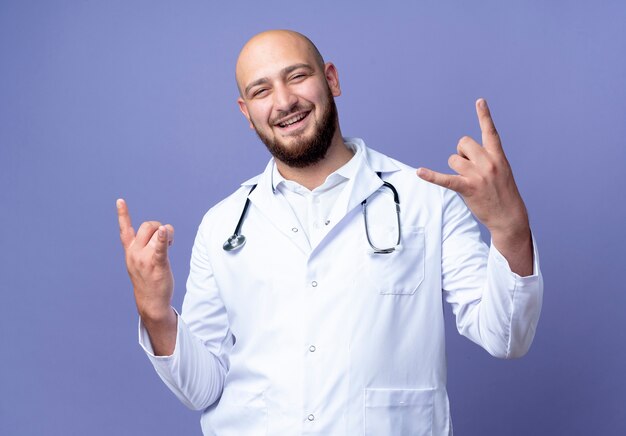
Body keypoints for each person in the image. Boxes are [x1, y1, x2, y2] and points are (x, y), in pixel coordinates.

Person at [117, 29, 543, 435]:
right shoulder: (223, 224)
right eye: (261, 91)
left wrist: (509, 228)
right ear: (246, 113)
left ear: (331, 80)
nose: (284, 102)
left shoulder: (426, 199)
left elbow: (506, 336)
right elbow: (202, 388)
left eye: (297, 76)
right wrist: (156, 314)